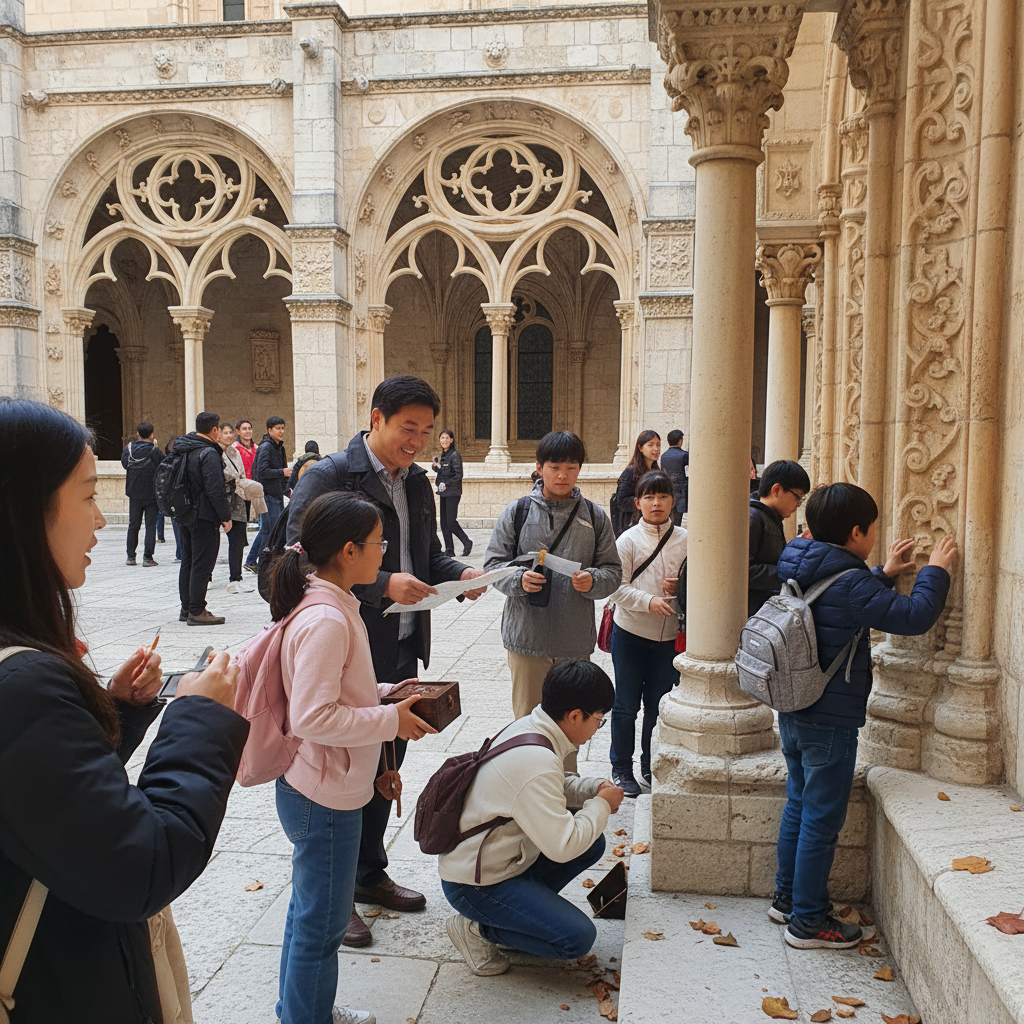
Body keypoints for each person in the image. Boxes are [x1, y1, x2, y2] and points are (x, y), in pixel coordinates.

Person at [0, 397, 248, 1022]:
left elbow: (48, 804)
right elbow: (143, 863)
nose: (102, 520)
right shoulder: (23, 685)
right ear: (24, 509)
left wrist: (115, 710)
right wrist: (197, 718)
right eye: (86, 496)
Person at [285, 375, 486, 947]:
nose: (417, 441)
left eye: (426, 431)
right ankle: (338, 890)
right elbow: (290, 566)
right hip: (342, 648)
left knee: (384, 762)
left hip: (397, 646)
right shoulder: (329, 478)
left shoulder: (418, 483)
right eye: (407, 428)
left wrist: (460, 575)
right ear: (376, 418)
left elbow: (430, 555)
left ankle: (369, 872)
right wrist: (379, 586)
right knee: (341, 768)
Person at [269, 491, 438, 1024]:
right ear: (348, 551)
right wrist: (391, 720)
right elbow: (311, 717)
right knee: (321, 927)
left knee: (308, 914)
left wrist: (386, 692)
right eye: (378, 544)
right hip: (324, 794)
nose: (383, 554)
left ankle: (302, 1009)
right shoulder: (328, 620)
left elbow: (337, 692)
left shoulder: (336, 606)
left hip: (319, 785)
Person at [771, 482, 956, 950]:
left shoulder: (799, 561)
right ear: (857, 532)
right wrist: (936, 571)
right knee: (820, 818)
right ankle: (809, 924)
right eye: (872, 528)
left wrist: (883, 573)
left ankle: (787, 899)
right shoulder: (850, 581)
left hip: (792, 707)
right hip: (829, 718)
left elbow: (838, 603)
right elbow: (913, 617)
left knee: (798, 803)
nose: (874, 534)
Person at [439, 660, 624, 976]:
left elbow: (552, 786)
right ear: (574, 715)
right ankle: (477, 929)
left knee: (593, 842)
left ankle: (521, 918)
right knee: (576, 938)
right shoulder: (536, 761)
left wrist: (593, 789)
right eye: (599, 719)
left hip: (502, 862)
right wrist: (602, 806)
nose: (598, 726)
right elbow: (562, 847)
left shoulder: (532, 727)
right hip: (475, 885)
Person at [483, 430, 622, 773]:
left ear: (579, 470)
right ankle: (528, 792)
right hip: (527, 639)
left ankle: (566, 793)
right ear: (539, 467)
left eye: (571, 467)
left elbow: (613, 571)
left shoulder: (594, 516)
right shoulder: (516, 513)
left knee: (572, 727)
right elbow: (492, 566)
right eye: (555, 467)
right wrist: (518, 579)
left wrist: (593, 580)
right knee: (529, 725)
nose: (563, 475)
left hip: (573, 642)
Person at [606, 470, 687, 797]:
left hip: (669, 641)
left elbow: (702, 587)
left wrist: (681, 588)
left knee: (658, 706)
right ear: (637, 502)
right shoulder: (627, 541)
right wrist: (648, 600)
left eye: (663, 496)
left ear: (673, 500)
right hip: (631, 634)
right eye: (649, 497)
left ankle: (650, 765)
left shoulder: (686, 539)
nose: (656, 503)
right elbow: (615, 588)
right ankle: (621, 768)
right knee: (626, 705)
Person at [173, 411, 233, 626]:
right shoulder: (208, 453)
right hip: (204, 515)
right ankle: (197, 610)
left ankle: (186, 607)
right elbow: (214, 488)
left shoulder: (185, 449)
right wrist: (225, 516)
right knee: (202, 562)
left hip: (184, 512)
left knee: (188, 560)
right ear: (215, 429)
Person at [749, 460, 811, 616]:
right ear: (776, 490)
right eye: (798, 497)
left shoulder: (771, 517)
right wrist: (788, 572)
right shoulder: (753, 518)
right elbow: (743, 571)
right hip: (752, 613)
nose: (798, 504)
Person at [244, 416, 291, 574]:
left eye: (283, 428)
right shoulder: (266, 447)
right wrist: (282, 472)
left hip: (276, 494)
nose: (281, 431)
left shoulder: (279, 447)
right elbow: (261, 471)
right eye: (278, 428)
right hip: (267, 495)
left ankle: (254, 560)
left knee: (268, 530)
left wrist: (287, 490)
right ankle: (262, 561)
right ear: (269, 430)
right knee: (271, 530)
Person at [121, 421, 163, 567]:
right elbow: (163, 467)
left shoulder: (129, 449)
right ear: (152, 435)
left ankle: (131, 557)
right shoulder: (155, 451)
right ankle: (148, 557)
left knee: (133, 525)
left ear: (138, 434)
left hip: (134, 492)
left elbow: (125, 464)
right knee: (151, 525)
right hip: (151, 493)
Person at [220, 423, 255, 595]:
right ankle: (231, 578)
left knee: (238, 541)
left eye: (229, 433)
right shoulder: (215, 453)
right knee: (229, 540)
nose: (228, 436)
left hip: (239, 498)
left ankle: (237, 577)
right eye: (224, 433)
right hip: (224, 500)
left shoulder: (234, 452)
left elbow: (240, 473)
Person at [611, 430, 661, 537]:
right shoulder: (631, 471)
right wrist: (644, 502)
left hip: (653, 525)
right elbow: (621, 501)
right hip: (634, 527)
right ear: (640, 448)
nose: (656, 449)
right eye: (650, 445)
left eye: (658, 445)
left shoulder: (657, 472)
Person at [432, 428, 472, 558]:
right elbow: (445, 472)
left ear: (451, 440)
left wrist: (446, 484)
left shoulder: (455, 455)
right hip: (444, 492)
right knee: (443, 523)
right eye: (442, 438)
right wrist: (436, 468)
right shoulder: (444, 454)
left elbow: (458, 475)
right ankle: (449, 550)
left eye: (446, 438)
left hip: (453, 493)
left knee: (450, 521)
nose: (444, 440)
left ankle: (467, 542)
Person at [659, 428, 689, 526]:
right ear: (680, 440)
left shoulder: (663, 456)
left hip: (667, 491)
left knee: (669, 519)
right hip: (681, 492)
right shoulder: (684, 455)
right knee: (677, 521)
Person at [165, 437, 183, 561]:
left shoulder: (167, 462)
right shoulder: (181, 461)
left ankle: (180, 553)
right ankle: (181, 553)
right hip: (179, 499)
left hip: (173, 499)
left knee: (178, 527)